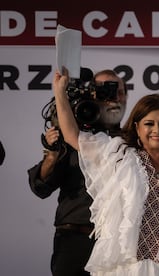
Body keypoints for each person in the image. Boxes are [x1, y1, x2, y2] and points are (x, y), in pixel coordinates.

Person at [52, 67, 159, 276]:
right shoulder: (120, 155)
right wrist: (59, 93)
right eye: (149, 124)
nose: (157, 130)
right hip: (124, 268)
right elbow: (73, 136)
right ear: (137, 127)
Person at [28, 69, 128, 276]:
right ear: (89, 93)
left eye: (118, 91)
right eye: (104, 91)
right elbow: (41, 186)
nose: (113, 98)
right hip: (74, 240)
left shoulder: (135, 140)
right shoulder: (72, 136)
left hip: (118, 243)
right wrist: (51, 155)